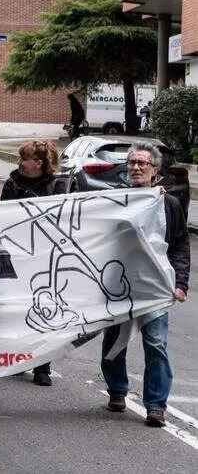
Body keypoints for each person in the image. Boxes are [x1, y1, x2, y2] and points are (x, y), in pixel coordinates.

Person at [101, 142, 189, 428]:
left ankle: (155, 405)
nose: (136, 167)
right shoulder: (116, 200)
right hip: (120, 286)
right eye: (132, 163)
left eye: (143, 163)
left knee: (156, 345)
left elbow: (178, 246)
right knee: (114, 342)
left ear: (155, 170)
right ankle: (117, 390)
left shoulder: (169, 204)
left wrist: (181, 283)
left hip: (154, 287)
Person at [0, 139, 69, 386]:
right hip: (18, 254)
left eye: (23, 159)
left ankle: (42, 366)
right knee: (18, 310)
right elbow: (3, 216)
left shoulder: (58, 185)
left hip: (45, 257)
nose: (19, 163)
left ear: (38, 163)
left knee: (44, 308)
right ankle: (19, 357)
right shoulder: (12, 183)